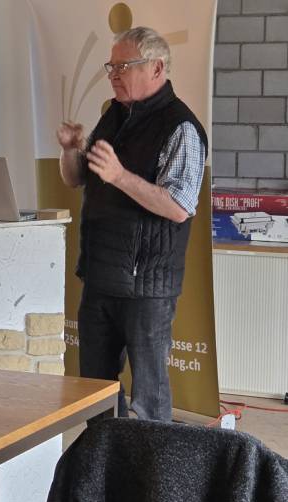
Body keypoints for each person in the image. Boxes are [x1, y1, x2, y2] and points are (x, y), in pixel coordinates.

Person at [56, 27, 208, 422]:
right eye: (111, 67)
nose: (113, 75)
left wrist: (120, 176)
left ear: (156, 68)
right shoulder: (113, 115)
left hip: (147, 288)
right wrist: (71, 150)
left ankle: (153, 461)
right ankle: (106, 454)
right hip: (100, 277)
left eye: (123, 66)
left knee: (149, 400)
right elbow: (77, 178)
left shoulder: (181, 127)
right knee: (94, 394)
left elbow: (179, 206)